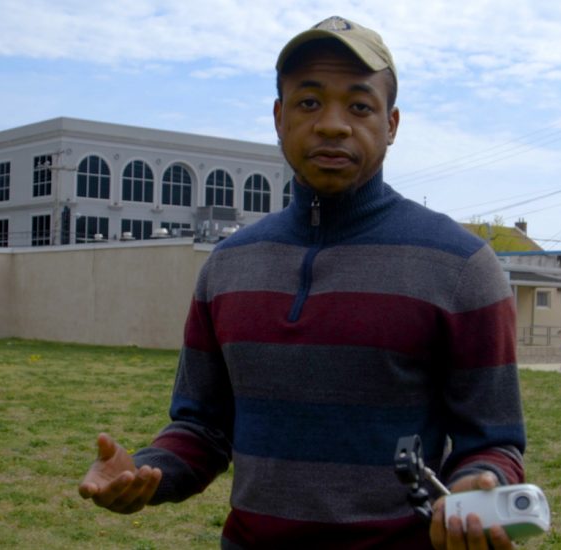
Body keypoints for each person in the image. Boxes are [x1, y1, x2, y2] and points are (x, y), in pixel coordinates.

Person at [80, 16, 526, 550]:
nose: (333, 124)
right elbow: (202, 429)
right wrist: (146, 473)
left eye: (360, 106)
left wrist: (479, 488)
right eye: (309, 102)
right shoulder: (227, 266)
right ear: (278, 116)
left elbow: (494, 442)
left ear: (392, 124)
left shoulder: (461, 265)